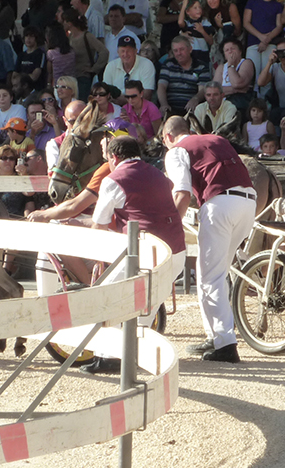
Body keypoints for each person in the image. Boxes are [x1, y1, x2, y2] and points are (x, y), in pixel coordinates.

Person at [81, 135, 189, 374]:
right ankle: (133, 357)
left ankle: (109, 357)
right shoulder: (159, 174)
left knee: (106, 294)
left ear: (114, 157)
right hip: (176, 250)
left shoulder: (113, 179)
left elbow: (98, 225)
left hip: (146, 250)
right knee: (146, 307)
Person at [163, 116, 256, 363]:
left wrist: (169, 227)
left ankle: (225, 343)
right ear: (190, 130)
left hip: (219, 204)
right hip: (248, 203)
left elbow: (181, 192)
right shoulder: (216, 139)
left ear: (167, 138)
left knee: (209, 276)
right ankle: (215, 336)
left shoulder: (175, 151)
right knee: (217, 272)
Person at [158, 35, 211, 116]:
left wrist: (195, 99)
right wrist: (164, 104)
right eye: (175, 51)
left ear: (190, 49)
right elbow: (161, 86)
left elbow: (202, 90)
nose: (179, 53)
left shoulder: (201, 67)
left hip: (191, 109)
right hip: (170, 109)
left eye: (182, 49)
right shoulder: (168, 65)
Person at [243, 0, 284, 75]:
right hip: (253, 42)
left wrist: (267, 39)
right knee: (252, 73)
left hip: (270, 43)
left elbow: (279, 26)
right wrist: (261, 37)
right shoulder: (252, 2)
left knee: (268, 72)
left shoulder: (278, 5)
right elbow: (246, 22)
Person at [103, 34, 156, 102]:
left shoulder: (147, 64)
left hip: (139, 109)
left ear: (135, 51)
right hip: (115, 108)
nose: (125, 54)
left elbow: (146, 95)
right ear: (118, 52)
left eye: (129, 51)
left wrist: (119, 100)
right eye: (122, 51)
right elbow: (105, 93)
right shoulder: (110, 66)